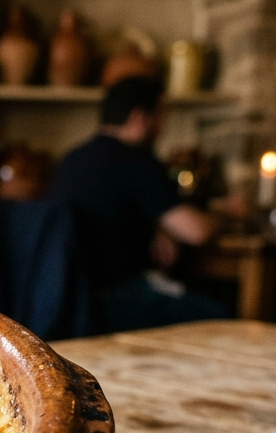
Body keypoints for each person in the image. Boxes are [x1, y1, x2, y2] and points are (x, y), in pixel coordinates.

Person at [47, 76, 228, 333]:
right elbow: (197, 232)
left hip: (67, 303)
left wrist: (158, 228)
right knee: (220, 318)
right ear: (139, 118)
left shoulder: (72, 159)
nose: (162, 129)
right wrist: (225, 213)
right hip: (116, 300)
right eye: (160, 117)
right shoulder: (134, 161)